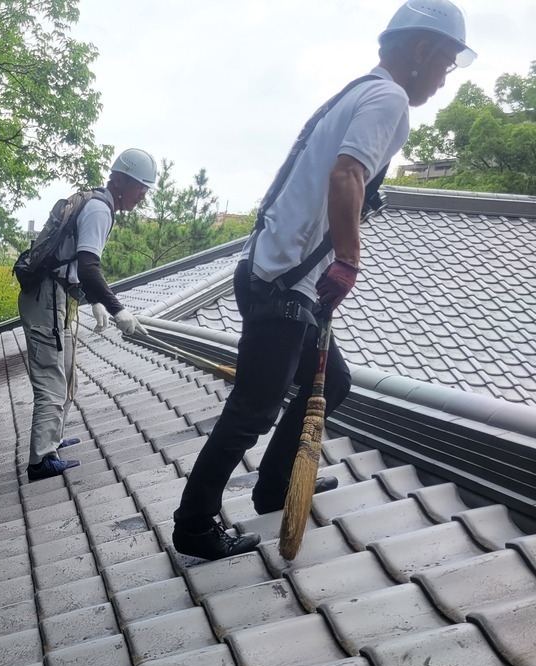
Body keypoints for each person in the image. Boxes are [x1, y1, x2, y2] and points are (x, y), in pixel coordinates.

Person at [171, 0, 474, 560]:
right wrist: (349, 260)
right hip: (283, 286)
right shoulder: (388, 99)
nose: (444, 77)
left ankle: (275, 485)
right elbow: (347, 174)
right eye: (446, 62)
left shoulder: (356, 93)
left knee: (331, 381)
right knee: (254, 408)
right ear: (421, 50)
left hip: (273, 274)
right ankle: (193, 525)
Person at [20, 148, 157, 480]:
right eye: (141, 187)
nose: (142, 196)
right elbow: (88, 267)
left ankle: (52, 440)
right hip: (47, 298)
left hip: (59, 297)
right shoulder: (99, 209)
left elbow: (77, 266)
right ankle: (41, 460)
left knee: (67, 375)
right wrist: (117, 309)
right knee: (52, 378)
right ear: (121, 181)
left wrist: (93, 301)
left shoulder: (96, 204)